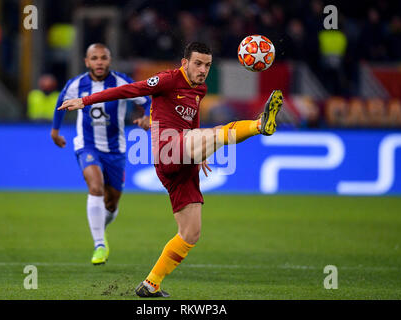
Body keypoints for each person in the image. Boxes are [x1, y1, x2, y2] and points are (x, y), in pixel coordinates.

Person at [58, 42, 283, 297]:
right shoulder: (167, 79)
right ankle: (259, 125)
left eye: (207, 65)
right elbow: (129, 90)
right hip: (168, 151)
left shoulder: (200, 89)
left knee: (191, 233)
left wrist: (201, 153)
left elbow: (193, 119)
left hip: (186, 159)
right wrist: (85, 101)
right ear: (184, 62)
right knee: (212, 135)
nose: (203, 70)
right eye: (198, 63)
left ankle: (150, 284)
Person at [51, 43, 151, 265]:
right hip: (87, 146)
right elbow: (61, 102)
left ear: (110, 60)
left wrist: (147, 117)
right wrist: (55, 131)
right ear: (87, 62)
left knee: (112, 203)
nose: (99, 62)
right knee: (95, 186)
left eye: (103, 58)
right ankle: (99, 244)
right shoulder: (76, 84)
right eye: (94, 58)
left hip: (116, 149)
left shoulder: (121, 82)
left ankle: (99, 229)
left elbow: (147, 99)